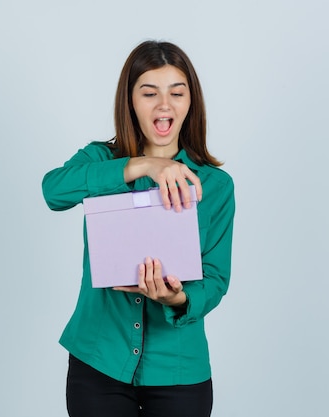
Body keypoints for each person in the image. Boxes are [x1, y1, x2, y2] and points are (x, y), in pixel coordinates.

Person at [41, 40, 235, 417]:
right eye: (149, 93)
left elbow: (215, 278)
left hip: (179, 370)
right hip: (98, 363)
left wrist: (176, 299)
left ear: (190, 102)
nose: (164, 105)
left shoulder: (215, 185)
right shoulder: (100, 160)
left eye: (177, 93)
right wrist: (142, 165)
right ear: (130, 101)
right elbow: (53, 190)